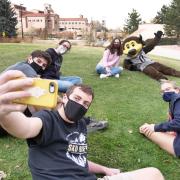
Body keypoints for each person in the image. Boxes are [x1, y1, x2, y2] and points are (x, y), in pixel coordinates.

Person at [0, 84, 164, 180]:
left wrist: (105, 170)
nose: (81, 105)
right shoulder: (47, 119)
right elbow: (24, 128)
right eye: (77, 99)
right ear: (64, 98)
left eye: (86, 103)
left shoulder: (80, 126)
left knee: (154, 173)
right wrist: (4, 113)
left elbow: (79, 159)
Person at [42, 39, 108, 132]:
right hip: (48, 80)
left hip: (57, 78)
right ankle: (78, 111)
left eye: (67, 48)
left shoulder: (60, 58)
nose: (64, 48)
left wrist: (58, 74)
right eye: (64, 45)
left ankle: (75, 100)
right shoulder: (50, 52)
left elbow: (55, 70)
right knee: (69, 85)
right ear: (59, 44)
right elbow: (43, 65)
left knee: (78, 79)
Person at [139, 80, 180, 157]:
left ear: (177, 90)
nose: (165, 93)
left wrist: (155, 127)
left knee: (145, 129)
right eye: (163, 91)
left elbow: (178, 123)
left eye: (168, 89)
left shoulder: (178, 99)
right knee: (148, 127)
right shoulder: (175, 100)